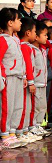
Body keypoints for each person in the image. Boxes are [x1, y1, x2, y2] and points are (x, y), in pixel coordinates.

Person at [0, 8, 27, 148]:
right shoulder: (3, 39)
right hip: (8, 78)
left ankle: (12, 132)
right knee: (7, 107)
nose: (20, 22)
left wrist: (23, 75)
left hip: (17, 76)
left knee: (17, 106)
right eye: (18, 20)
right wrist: (2, 78)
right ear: (10, 22)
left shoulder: (15, 39)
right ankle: (4, 134)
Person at [17, 17, 42, 143]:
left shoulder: (26, 46)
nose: (35, 34)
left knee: (27, 106)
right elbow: (27, 65)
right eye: (34, 31)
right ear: (28, 33)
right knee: (25, 107)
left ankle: (25, 130)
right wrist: (31, 81)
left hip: (27, 81)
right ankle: (22, 131)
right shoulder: (25, 47)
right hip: (26, 82)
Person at [31, 21, 51, 137]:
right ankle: (33, 126)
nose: (47, 37)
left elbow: (49, 44)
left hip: (43, 82)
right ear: (36, 36)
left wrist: (43, 40)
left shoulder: (42, 49)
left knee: (42, 105)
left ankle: (38, 125)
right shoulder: (31, 49)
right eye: (44, 35)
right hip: (35, 82)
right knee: (36, 106)